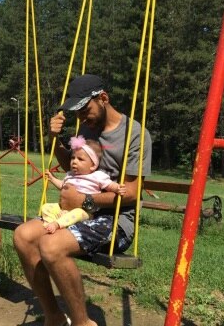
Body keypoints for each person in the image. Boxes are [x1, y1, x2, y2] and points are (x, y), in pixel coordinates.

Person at [13, 74, 152, 326]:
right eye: (76, 114)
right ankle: (54, 316)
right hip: (78, 212)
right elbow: (72, 165)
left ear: (103, 98)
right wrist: (54, 139)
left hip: (115, 220)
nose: (80, 119)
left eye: (84, 111)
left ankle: (82, 323)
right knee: (23, 236)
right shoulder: (87, 128)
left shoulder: (135, 135)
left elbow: (131, 193)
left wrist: (85, 200)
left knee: (51, 246)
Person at [43, 135, 126, 234]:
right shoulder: (70, 175)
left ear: (93, 165)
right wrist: (52, 179)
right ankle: (49, 223)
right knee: (46, 207)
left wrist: (117, 188)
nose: (74, 161)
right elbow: (62, 186)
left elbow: (109, 185)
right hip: (64, 209)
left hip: (84, 212)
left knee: (77, 213)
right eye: (73, 157)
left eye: (80, 159)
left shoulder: (97, 176)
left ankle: (57, 224)